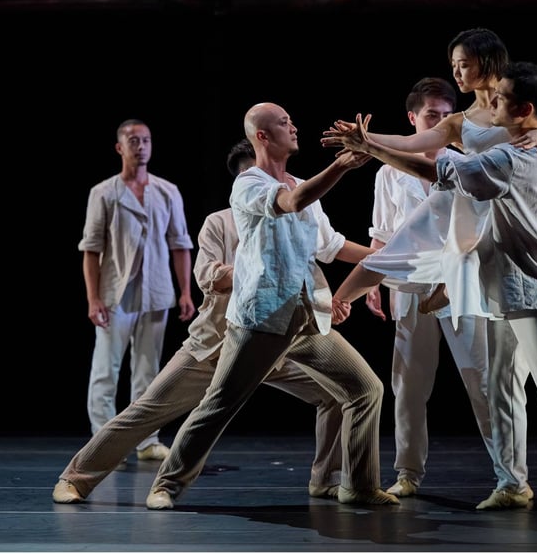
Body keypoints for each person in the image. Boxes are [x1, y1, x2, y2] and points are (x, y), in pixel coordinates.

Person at [330, 61, 537, 511]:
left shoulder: (514, 156)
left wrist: (372, 145)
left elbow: (435, 172)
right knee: (498, 386)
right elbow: (395, 239)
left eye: (498, 99)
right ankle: (511, 483)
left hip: (535, 290)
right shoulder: (519, 150)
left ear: (524, 110)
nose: (486, 104)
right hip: (492, 286)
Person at [52, 138, 346, 505]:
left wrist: (330, 297)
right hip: (216, 342)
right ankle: (77, 478)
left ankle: (326, 478)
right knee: (147, 408)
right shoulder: (219, 223)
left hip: (274, 344)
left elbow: (316, 261)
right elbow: (209, 275)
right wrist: (257, 269)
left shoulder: (294, 218)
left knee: (337, 394)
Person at [142, 102, 399, 510]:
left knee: (365, 389)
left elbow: (330, 246)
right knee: (220, 403)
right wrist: (341, 167)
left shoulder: (301, 184)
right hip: (261, 318)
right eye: (283, 123)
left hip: (304, 318)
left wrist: (389, 258)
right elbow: (290, 202)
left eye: (291, 120)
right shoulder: (248, 184)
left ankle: (360, 485)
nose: (293, 127)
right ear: (262, 136)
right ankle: (166, 485)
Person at [321, 27, 537, 323]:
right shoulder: (460, 120)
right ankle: (338, 302)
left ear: (488, 61)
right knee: (403, 242)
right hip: (473, 194)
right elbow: (409, 142)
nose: (456, 73)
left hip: (512, 202)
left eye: (464, 65)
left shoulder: (517, 100)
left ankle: (451, 286)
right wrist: (366, 138)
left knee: (489, 261)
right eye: (454, 66)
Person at [362, 77, 498, 498]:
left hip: (458, 281)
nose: (437, 122)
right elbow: (383, 232)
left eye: (444, 115)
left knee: (483, 379)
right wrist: (372, 282)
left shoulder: (466, 162)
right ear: (412, 118)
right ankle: (407, 473)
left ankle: (510, 473)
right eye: (430, 115)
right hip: (408, 284)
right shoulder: (389, 171)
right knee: (409, 382)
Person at [77, 118, 196, 463]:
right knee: (106, 367)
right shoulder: (104, 192)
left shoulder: (167, 191)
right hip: (116, 293)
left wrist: (185, 291)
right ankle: (102, 442)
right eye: (133, 140)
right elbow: (91, 248)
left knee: (149, 371)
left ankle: (146, 440)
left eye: (145, 140)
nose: (140, 146)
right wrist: (93, 297)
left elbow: (180, 244)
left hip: (155, 291)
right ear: (120, 147)